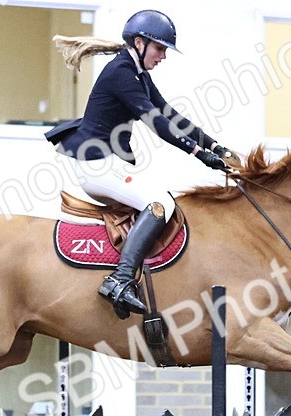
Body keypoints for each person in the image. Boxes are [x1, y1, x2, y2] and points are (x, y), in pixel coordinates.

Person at [46, 9, 234, 318]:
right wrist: (198, 154)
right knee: (160, 203)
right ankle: (120, 281)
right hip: (97, 165)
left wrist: (215, 146)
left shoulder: (138, 74)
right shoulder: (121, 73)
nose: (163, 56)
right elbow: (155, 121)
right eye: (160, 48)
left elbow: (170, 114)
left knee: (161, 198)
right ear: (139, 43)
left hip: (108, 161)